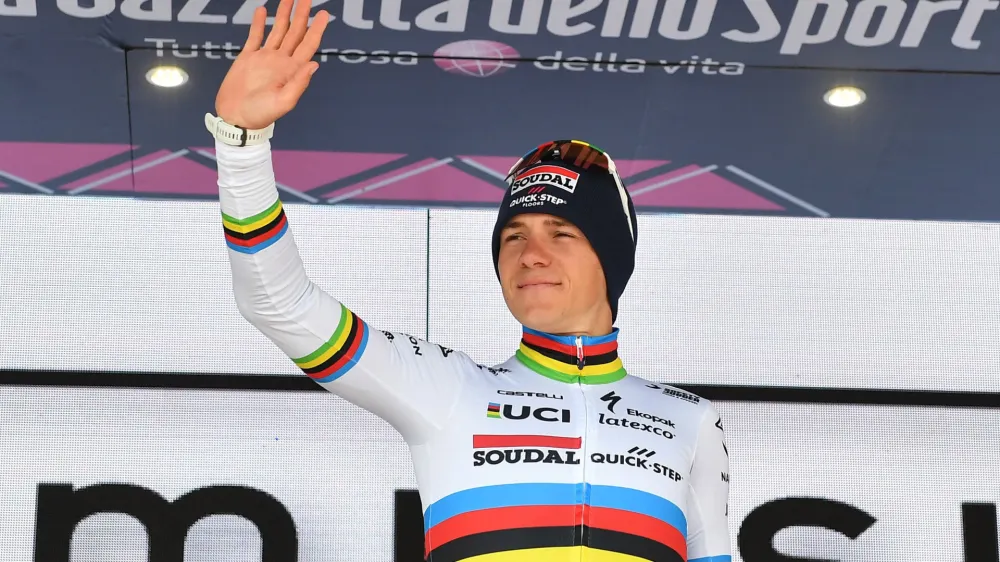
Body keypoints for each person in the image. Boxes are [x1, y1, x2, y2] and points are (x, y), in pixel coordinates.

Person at [206, 0, 731, 560]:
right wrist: (242, 145)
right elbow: (279, 305)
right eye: (514, 236)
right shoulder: (447, 389)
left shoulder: (690, 420)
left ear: (612, 259)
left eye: (561, 233)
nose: (531, 255)